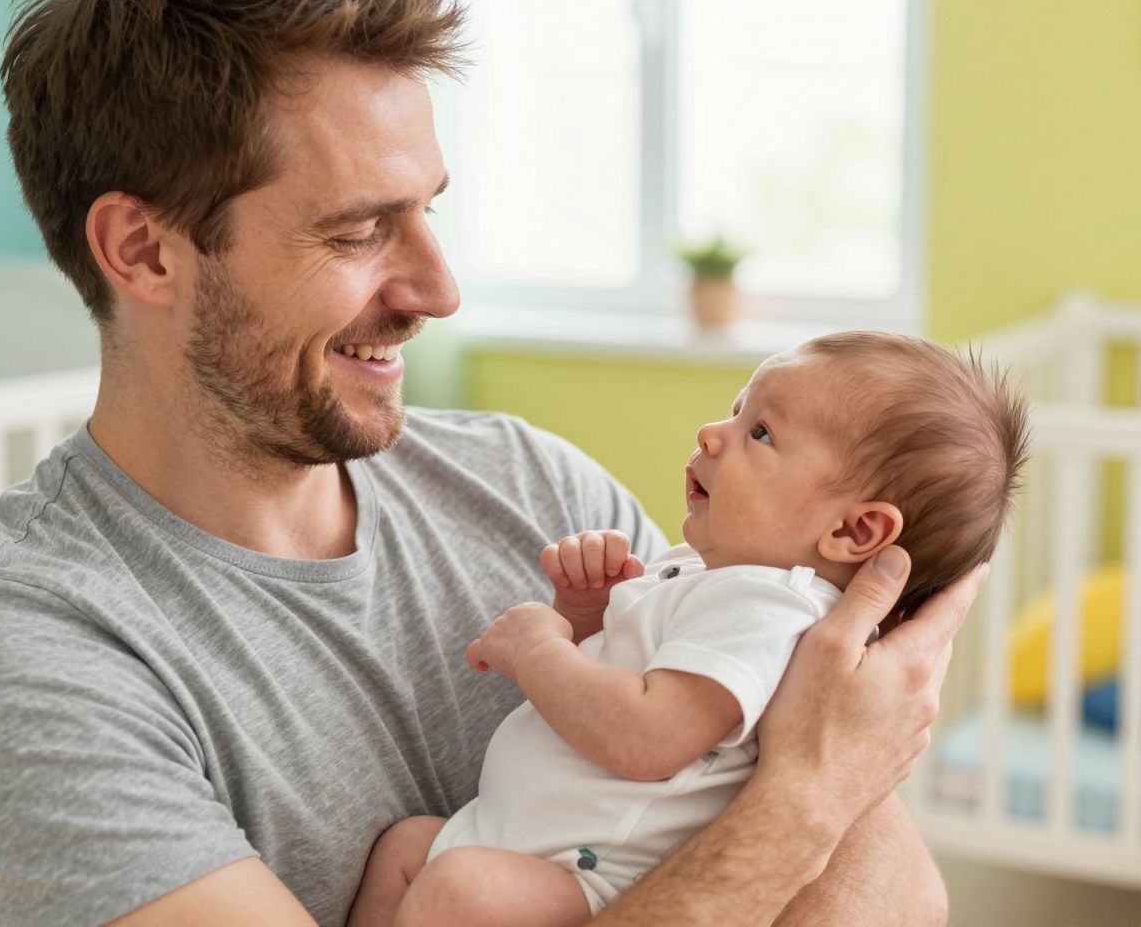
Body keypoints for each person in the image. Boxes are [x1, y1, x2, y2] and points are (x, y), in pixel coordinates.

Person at [0, 0, 983, 926]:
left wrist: (810, 800)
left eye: (429, 212)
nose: (440, 290)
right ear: (143, 251)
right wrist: (808, 801)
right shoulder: (15, 668)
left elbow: (894, 902)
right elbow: (803, 809)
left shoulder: (534, 486)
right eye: (359, 231)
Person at [348, 333, 1028, 926]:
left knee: (457, 890)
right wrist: (588, 614)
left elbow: (648, 736)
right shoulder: (711, 573)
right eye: (736, 410)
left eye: (761, 433)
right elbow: (623, 677)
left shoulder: (769, 608)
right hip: (519, 839)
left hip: (594, 875)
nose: (711, 432)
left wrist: (538, 649)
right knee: (406, 848)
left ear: (854, 530)